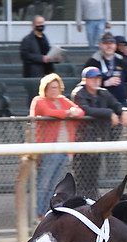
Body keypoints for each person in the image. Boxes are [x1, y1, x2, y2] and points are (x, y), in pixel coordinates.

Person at [29, 73, 85, 218]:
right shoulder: (39, 100)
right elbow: (49, 112)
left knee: (54, 183)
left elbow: (80, 112)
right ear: (45, 89)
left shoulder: (63, 100)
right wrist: (68, 113)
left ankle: (46, 211)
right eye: (51, 87)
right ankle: (37, 213)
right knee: (43, 183)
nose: (54, 90)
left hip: (66, 150)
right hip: (49, 149)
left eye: (56, 87)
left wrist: (71, 112)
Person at [71, 66, 127, 195]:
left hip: (99, 138)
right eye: (92, 78)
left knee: (93, 176)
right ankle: (82, 202)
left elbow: (116, 104)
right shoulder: (78, 93)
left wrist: (124, 111)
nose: (96, 80)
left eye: (98, 78)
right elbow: (87, 110)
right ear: (85, 80)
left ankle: (92, 200)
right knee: (82, 176)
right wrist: (109, 113)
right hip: (83, 141)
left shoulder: (103, 92)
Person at [84, 32, 127, 106]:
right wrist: (104, 83)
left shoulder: (121, 61)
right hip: (100, 104)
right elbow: (85, 83)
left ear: (115, 46)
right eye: (105, 43)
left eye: (111, 43)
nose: (109, 46)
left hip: (120, 102)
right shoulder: (93, 62)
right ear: (100, 45)